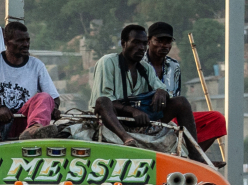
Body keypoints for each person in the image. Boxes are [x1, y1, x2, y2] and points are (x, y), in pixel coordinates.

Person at [90, 25, 207, 163]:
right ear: (123, 43)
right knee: (103, 101)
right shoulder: (108, 62)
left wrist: (161, 91)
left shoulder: (146, 68)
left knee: (181, 102)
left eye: (144, 44)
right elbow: (105, 99)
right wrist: (132, 111)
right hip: (113, 119)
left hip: (140, 121)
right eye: (136, 42)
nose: (141, 47)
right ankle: (126, 138)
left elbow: (162, 88)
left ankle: (196, 155)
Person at [143, 22, 227, 152]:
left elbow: (175, 97)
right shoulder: (139, 62)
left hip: (170, 115)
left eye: (168, 42)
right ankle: (192, 155)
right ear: (149, 41)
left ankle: (194, 157)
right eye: (159, 41)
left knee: (217, 119)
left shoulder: (174, 65)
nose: (164, 45)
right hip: (146, 114)